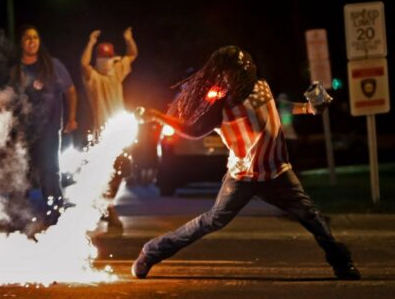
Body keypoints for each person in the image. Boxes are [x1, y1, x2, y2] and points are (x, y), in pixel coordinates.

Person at [131, 46, 361, 280]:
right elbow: (194, 131)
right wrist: (157, 116)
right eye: (232, 73)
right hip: (242, 177)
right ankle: (152, 251)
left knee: (311, 217)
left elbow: (277, 106)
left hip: (277, 172)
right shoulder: (220, 102)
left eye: (242, 71)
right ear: (224, 75)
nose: (239, 76)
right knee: (211, 221)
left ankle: (343, 264)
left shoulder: (261, 85)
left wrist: (309, 108)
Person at [9, 25, 78, 225]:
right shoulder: (16, 69)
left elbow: (71, 91)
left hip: (48, 129)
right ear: (22, 43)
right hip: (23, 130)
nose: (32, 41)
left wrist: (71, 117)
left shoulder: (52, 65)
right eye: (28, 38)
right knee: (20, 172)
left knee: (49, 170)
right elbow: (9, 97)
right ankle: (19, 215)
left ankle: (55, 212)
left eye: (35, 37)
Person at [80, 27, 138, 231]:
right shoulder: (94, 79)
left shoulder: (116, 73)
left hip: (120, 133)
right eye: (103, 58)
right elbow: (83, 64)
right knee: (107, 172)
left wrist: (128, 39)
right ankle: (108, 208)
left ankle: (106, 204)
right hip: (102, 136)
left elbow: (132, 55)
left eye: (109, 58)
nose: (106, 62)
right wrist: (90, 43)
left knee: (122, 171)